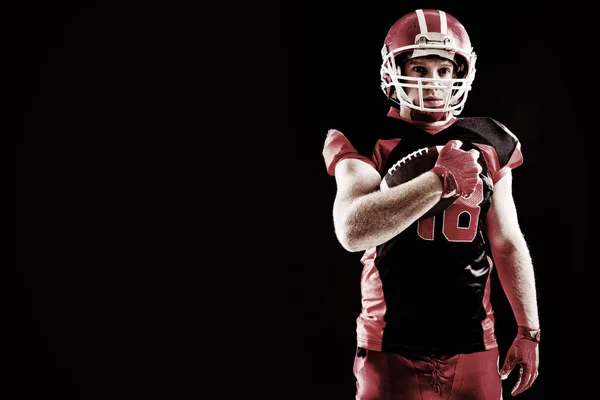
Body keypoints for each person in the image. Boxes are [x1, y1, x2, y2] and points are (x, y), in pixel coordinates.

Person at [322, 8, 540, 399]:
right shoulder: (366, 136)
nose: (432, 83)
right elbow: (353, 230)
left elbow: (507, 241)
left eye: (442, 70)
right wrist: (439, 181)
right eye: (419, 69)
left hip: (475, 342)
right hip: (390, 346)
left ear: (461, 72)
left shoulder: (490, 139)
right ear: (393, 70)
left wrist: (529, 330)